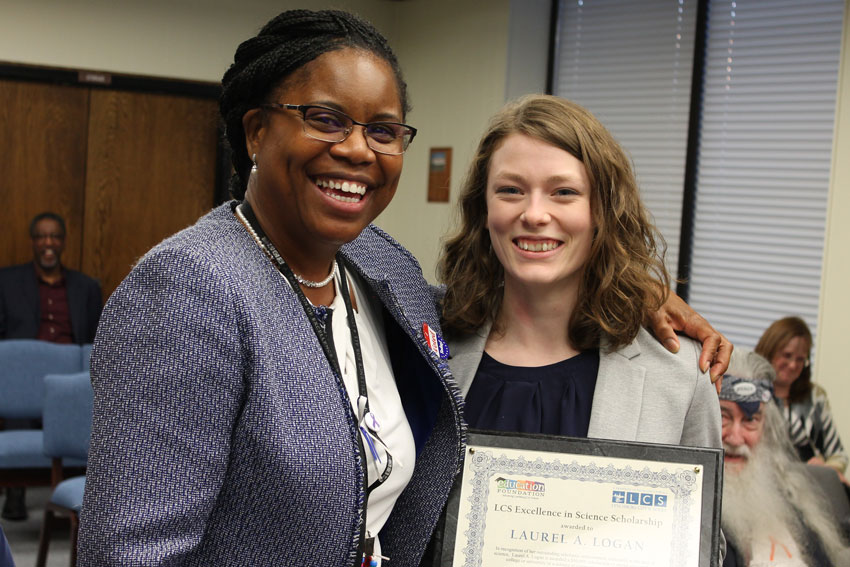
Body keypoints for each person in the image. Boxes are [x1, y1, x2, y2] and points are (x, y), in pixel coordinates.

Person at [78, 11, 728, 567]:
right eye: (325, 118)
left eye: (383, 130)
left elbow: (515, 284)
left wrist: (630, 286)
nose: (357, 149)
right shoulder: (190, 288)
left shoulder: (383, 271)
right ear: (255, 131)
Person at [440, 95, 722, 446]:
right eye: (510, 190)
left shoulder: (681, 373)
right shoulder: (425, 345)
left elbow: (702, 497)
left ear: (602, 211)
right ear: (483, 208)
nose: (534, 214)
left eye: (563, 192)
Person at [0, 211, 102, 521]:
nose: (48, 243)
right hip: (25, 378)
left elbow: (96, 340)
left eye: (55, 236)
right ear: (32, 242)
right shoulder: (7, 282)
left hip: (72, 379)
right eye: (42, 237)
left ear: (63, 242)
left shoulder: (86, 288)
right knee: (18, 399)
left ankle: (87, 495)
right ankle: (15, 494)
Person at [719, 349, 850, 566]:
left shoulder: (790, 500)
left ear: (767, 428)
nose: (735, 438)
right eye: (723, 417)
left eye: (750, 420)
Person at [755, 316, 848, 475]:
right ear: (769, 351)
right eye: (787, 355)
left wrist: (827, 471)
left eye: (800, 359)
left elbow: (838, 456)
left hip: (807, 486)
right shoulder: (750, 393)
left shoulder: (815, 397)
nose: (793, 365)